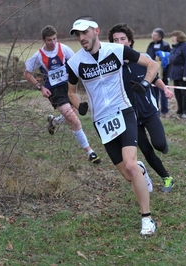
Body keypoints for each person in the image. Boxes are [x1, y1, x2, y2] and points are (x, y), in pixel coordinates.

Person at [67, 16, 159, 235]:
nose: (81, 38)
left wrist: (145, 83)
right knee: (129, 175)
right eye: (78, 35)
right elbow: (71, 92)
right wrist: (79, 106)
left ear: (96, 31)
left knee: (129, 165)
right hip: (102, 121)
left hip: (124, 112)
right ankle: (141, 170)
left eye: (85, 33)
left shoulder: (117, 50)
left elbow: (153, 65)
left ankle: (147, 219)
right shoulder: (75, 62)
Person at [108, 23, 175, 193]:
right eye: (115, 40)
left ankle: (163, 146)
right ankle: (167, 178)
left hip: (148, 111)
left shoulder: (142, 58)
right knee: (146, 150)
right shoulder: (112, 66)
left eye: (123, 39)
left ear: (129, 41)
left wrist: (165, 89)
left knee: (159, 144)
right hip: (130, 116)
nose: (120, 42)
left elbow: (154, 77)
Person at [24, 25, 101, 164]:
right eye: (49, 40)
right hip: (54, 91)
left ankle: (54, 121)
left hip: (69, 87)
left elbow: (76, 63)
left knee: (73, 114)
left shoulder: (64, 49)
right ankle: (90, 152)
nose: (52, 42)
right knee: (74, 120)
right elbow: (27, 73)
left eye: (54, 39)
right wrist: (40, 87)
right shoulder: (38, 55)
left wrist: (71, 73)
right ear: (43, 40)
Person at [168, 30, 186, 119]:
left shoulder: (185, 47)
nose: (172, 38)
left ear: (179, 37)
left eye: (174, 36)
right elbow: (171, 62)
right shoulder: (174, 48)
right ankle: (180, 110)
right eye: (172, 36)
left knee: (184, 93)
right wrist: (170, 75)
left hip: (183, 74)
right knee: (177, 93)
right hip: (175, 74)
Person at [146, 28, 171, 118]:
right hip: (152, 73)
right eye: (152, 34)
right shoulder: (150, 45)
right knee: (153, 93)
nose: (152, 36)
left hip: (163, 74)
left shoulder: (165, 45)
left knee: (164, 92)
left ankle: (165, 111)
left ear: (160, 37)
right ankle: (156, 110)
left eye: (155, 35)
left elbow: (169, 59)